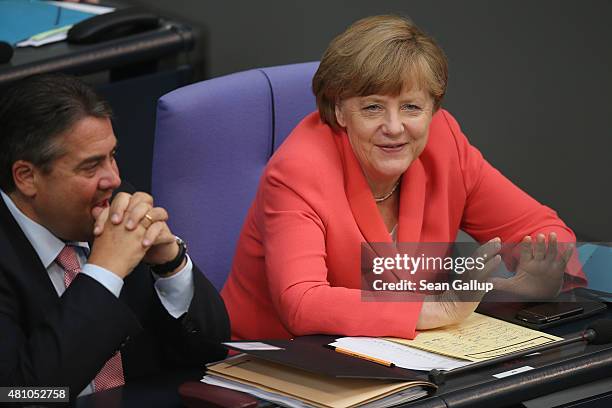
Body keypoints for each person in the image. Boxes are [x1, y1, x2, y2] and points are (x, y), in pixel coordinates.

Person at [221, 15, 586, 340]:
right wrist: (438, 309)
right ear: (339, 110)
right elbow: (302, 302)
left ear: (433, 109)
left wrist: (536, 282)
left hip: (398, 358)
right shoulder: (297, 171)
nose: (394, 128)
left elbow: (540, 229)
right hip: (278, 364)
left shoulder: (444, 143)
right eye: (373, 107)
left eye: (411, 107)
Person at [0, 74, 229, 396]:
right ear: (27, 177)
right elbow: (21, 395)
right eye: (90, 166)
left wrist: (170, 264)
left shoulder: (116, 205)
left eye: (112, 155)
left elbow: (212, 351)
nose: (113, 178)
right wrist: (104, 273)